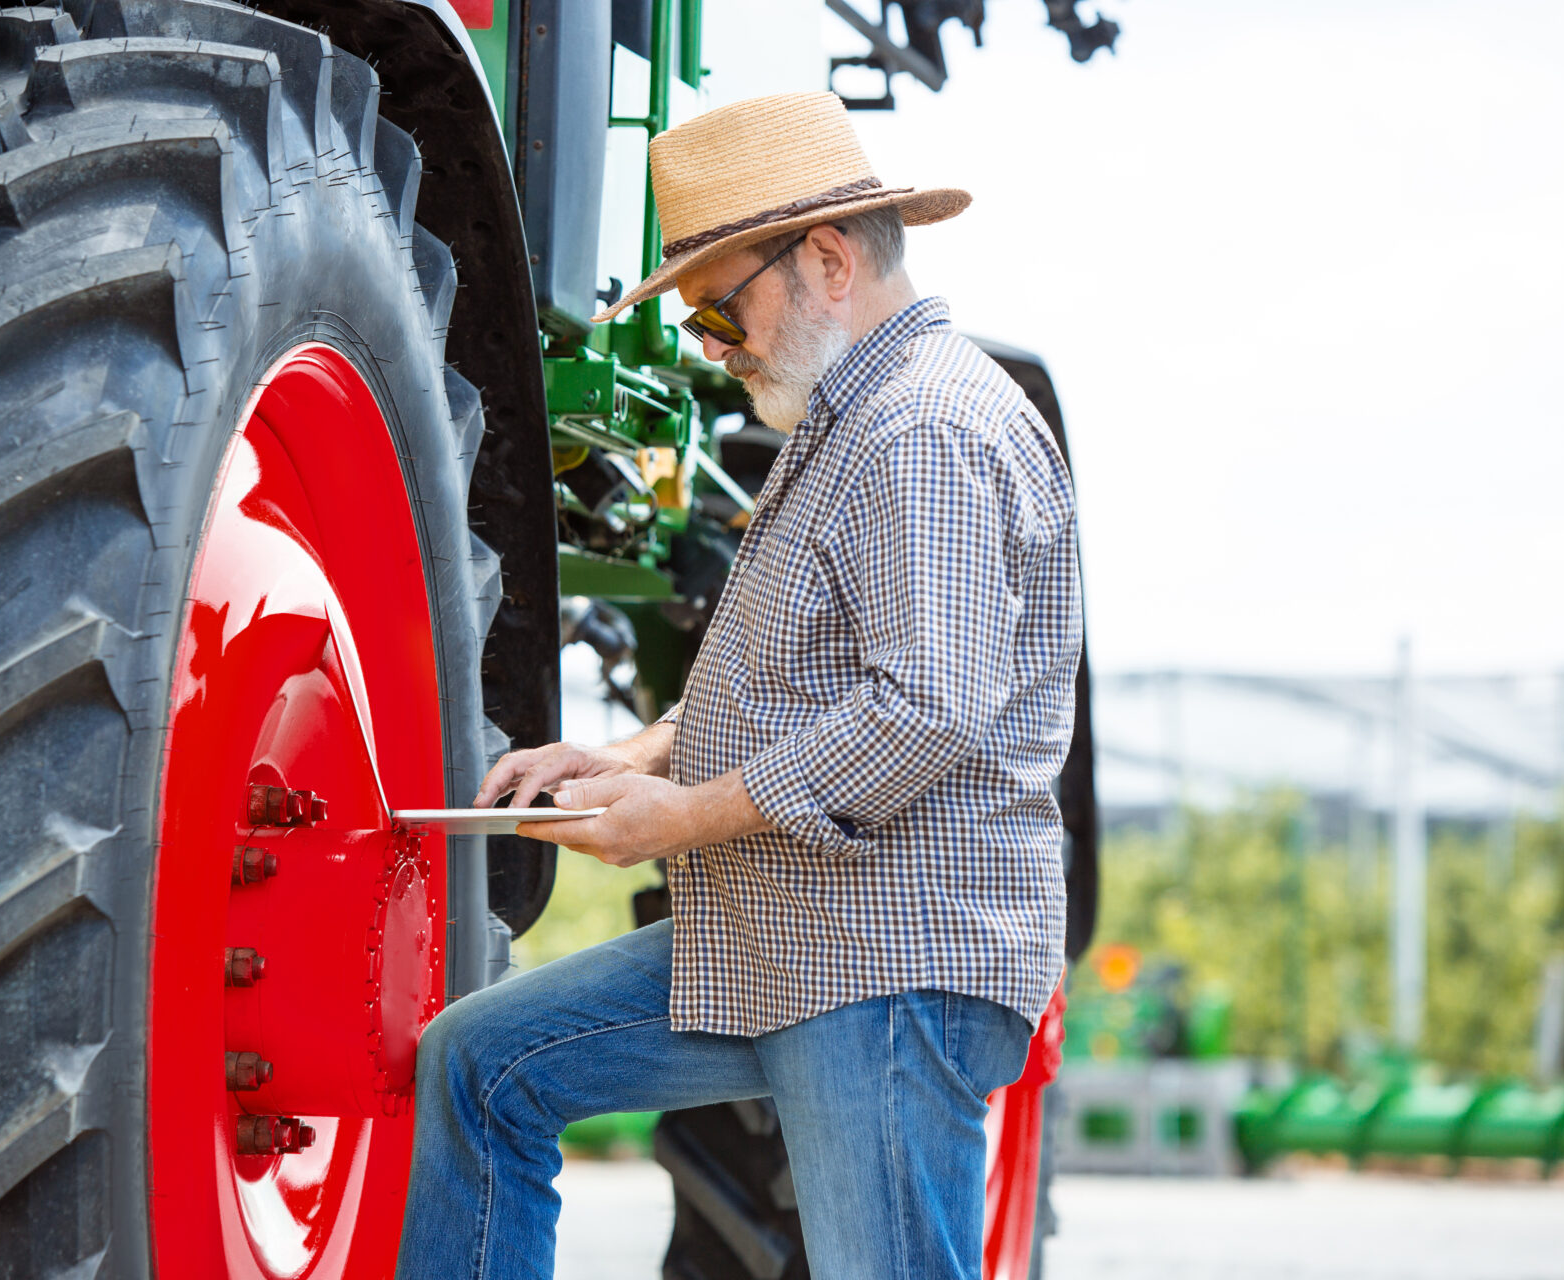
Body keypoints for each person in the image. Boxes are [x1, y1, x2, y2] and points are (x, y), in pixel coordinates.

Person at [395, 90, 1081, 1280]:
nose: (713, 347)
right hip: (790, 935)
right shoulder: (847, 419)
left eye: (722, 309)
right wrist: (629, 759)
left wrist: (683, 818)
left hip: (888, 956)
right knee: (482, 1063)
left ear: (826, 260)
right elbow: (794, 671)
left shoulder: (922, 426)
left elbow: (922, 709)